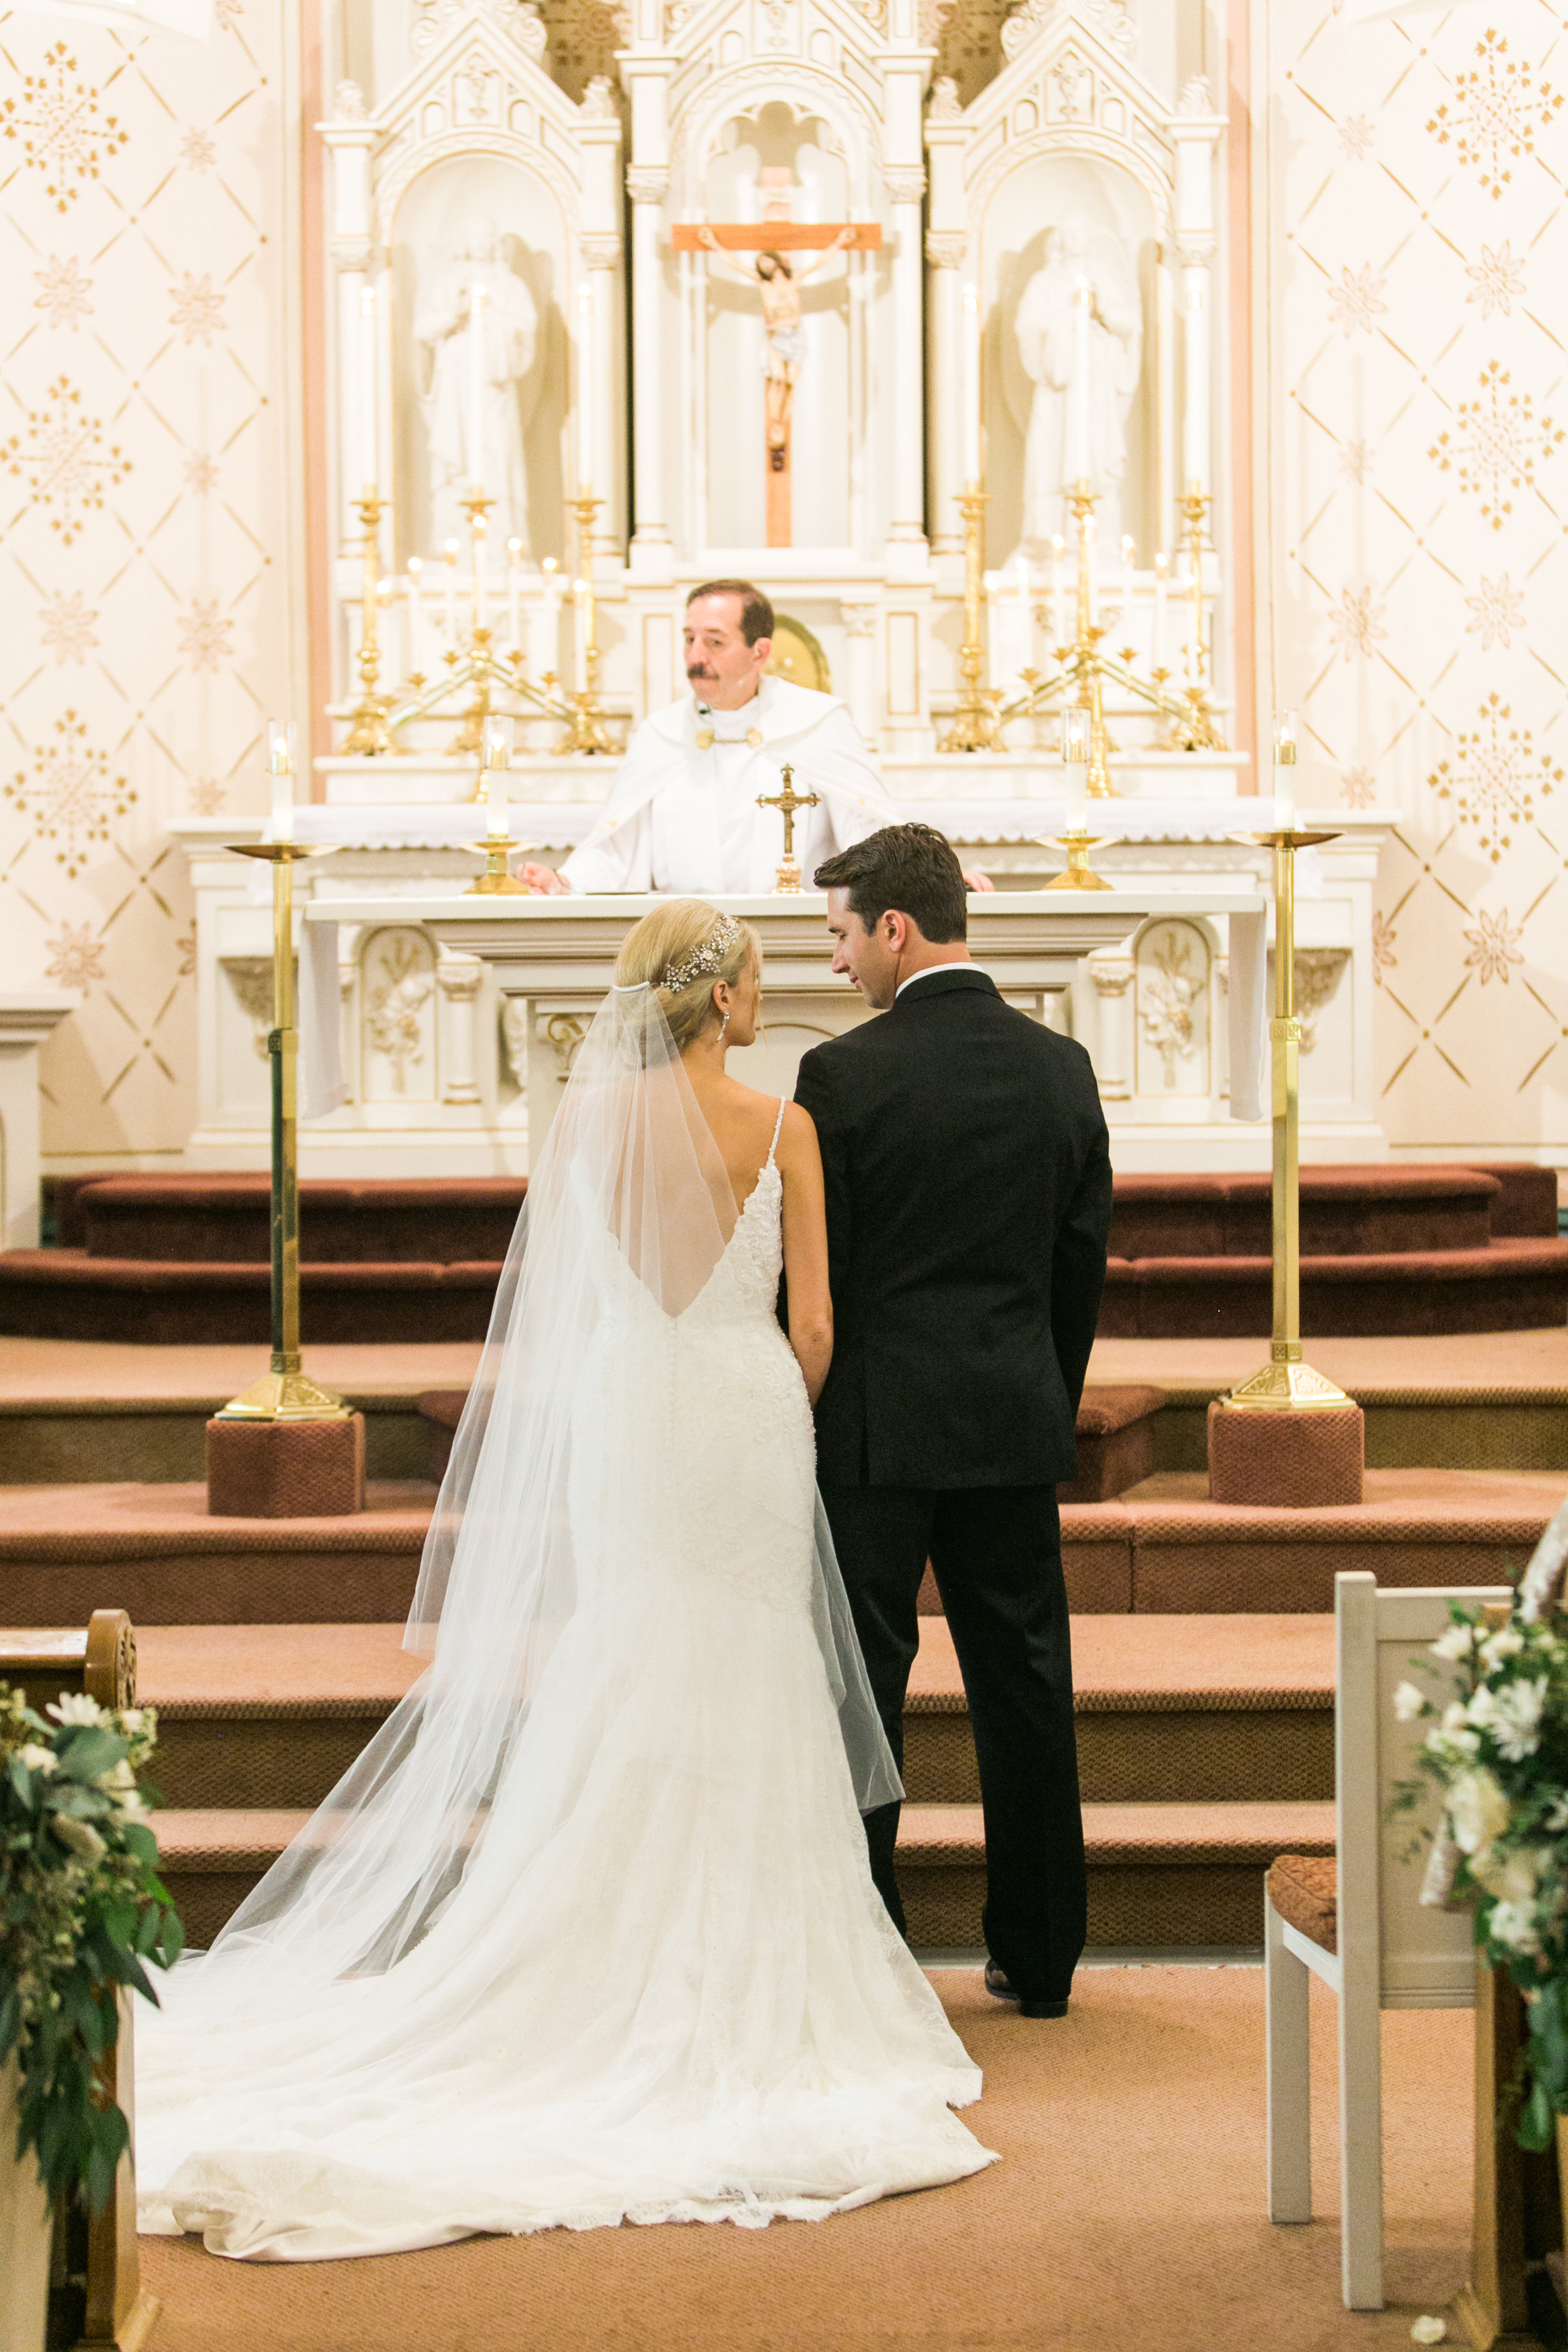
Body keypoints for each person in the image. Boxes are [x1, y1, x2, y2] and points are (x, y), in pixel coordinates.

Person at [135, 900, 994, 2261]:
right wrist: (766, 1398)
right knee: (751, 1659)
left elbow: (575, 1305)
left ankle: (585, 1947)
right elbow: (815, 1323)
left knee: (629, 1645)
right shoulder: (785, 1127)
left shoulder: (581, 1126)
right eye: (760, 980)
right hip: (741, 1412)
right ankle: (749, 1972)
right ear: (717, 998)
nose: (771, 999)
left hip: (621, 1417)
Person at [794, 824, 1113, 2019]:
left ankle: (871, 1957)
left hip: (874, 1434)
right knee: (1026, 1688)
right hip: (1011, 1417)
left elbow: (821, 1274)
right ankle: (1041, 1958)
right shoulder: (1062, 1067)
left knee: (863, 1694)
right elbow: (1079, 1263)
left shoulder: (844, 1077)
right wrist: (1043, 1392)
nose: (838, 968)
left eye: (841, 937)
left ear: (895, 927)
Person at [521, 581, 901, 899]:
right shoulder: (662, 734)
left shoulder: (816, 724)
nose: (695, 657)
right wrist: (565, 883)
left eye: (715, 642)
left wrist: (925, 882)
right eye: (689, 639)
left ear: (760, 652)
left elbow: (867, 835)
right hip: (684, 947)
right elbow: (617, 851)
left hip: (800, 935)